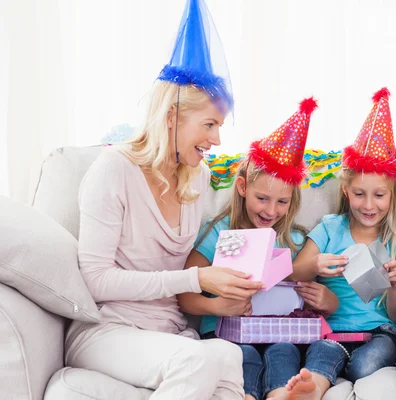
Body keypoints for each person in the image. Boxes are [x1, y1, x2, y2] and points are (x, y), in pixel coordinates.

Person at [64, 1, 263, 398]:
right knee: (198, 360)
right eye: (209, 124)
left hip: (171, 333)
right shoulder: (114, 170)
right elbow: (96, 280)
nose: (216, 140)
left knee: (227, 355)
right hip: (109, 331)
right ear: (172, 117)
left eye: (219, 126)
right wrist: (197, 278)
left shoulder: (197, 177)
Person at [179, 98, 339, 400]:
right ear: (242, 188)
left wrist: (324, 300)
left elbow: (307, 297)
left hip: (278, 333)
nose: (271, 211)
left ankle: (283, 394)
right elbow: (184, 291)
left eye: (282, 202)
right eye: (262, 198)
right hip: (227, 332)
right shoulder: (220, 231)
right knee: (244, 357)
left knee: (283, 352)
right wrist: (215, 306)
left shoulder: (293, 240)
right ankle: (247, 395)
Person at [287, 88, 396, 400]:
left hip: (379, 333)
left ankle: (337, 374)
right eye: (359, 194)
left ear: (392, 194)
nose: (368, 204)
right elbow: (292, 273)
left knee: (366, 364)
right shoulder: (331, 228)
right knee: (321, 353)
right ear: (346, 192)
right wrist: (315, 265)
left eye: (379, 195)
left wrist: (395, 284)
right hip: (331, 329)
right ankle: (312, 388)